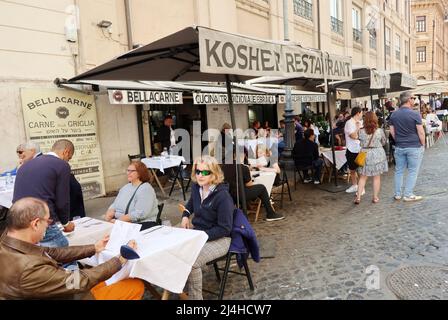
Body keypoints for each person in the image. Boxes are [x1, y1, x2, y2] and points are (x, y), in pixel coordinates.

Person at [0, 197, 144, 300]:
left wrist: (94, 247)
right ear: (36, 223)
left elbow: (52, 253)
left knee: (105, 279)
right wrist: (119, 260)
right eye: (48, 221)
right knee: (135, 286)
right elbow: (78, 281)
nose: (50, 225)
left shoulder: (7, 241)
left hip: (57, 287)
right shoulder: (29, 268)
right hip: (67, 292)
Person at [179, 156, 234, 300]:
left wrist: (200, 236)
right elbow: (190, 204)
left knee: (192, 261)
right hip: (198, 233)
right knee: (172, 246)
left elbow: (225, 229)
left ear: (214, 174)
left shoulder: (223, 197)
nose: (200, 175)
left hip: (220, 239)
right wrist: (185, 215)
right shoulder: (197, 187)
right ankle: (176, 285)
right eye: (198, 171)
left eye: (205, 172)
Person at [12, 139, 75, 247]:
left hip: (18, 219)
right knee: (65, 257)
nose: (68, 161)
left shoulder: (26, 165)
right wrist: (66, 223)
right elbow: (62, 200)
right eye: (69, 158)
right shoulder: (62, 165)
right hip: (41, 219)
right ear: (66, 152)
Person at [221, 152, 284, 222]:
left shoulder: (222, 167)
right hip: (238, 195)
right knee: (261, 188)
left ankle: (249, 207)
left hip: (226, 194)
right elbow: (249, 185)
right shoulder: (242, 167)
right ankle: (270, 213)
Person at [389, 91, 426, 202]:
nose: (414, 100)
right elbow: (421, 132)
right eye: (413, 98)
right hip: (414, 146)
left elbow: (392, 132)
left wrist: (399, 140)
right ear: (409, 99)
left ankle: (398, 194)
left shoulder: (394, 114)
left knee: (399, 170)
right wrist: (423, 145)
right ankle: (408, 194)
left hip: (400, 146)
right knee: (412, 171)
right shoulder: (415, 114)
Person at [105, 161, 158, 229]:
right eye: (127, 170)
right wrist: (110, 210)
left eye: (132, 171)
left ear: (140, 173)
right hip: (121, 221)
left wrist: (118, 221)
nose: (128, 173)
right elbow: (115, 203)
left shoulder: (146, 189)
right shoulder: (126, 187)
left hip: (140, 224)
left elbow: (141, 213)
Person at [354, 112, 388, 204]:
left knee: (363, 177)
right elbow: (384, 142)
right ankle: (375, 197)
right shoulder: (379, 131)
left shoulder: (361, 131)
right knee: (376, 177)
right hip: (377, 154)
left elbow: (360, 142)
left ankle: (358, 197)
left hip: (365, 154)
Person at [344, 107, 364, 195]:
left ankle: (361, 188)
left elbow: (362, 135)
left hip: (360, 149)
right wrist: (357, 128)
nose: (362, 114)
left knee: (361, 170)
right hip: (351, 149)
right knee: (352, 169)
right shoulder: (349, 123)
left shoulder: (360, 122)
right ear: (357, 113)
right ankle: (355, 185)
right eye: (361, 113)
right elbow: (354, 136)